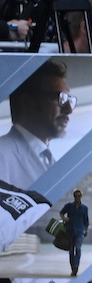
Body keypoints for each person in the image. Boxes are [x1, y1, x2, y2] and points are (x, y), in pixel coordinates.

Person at [0, 60, 72, 190]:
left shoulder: (50, 161)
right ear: (26, 102)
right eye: (59, 98)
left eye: (68, 100)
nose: (69, 109)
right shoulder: (2, 153)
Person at [56, 188, 89, 276]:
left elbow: (86, 220)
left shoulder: (84, 208)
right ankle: (73, 267)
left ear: (81, 196)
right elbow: (61, 213)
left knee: (78, 248)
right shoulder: (69, 206)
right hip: (70, 230)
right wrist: (65, 218)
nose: (77, 197)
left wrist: (86, 230)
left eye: (79, 196)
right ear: (74, 197)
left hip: (80, 230)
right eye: (76, 196)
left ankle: (76, 266)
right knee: (71, 250)